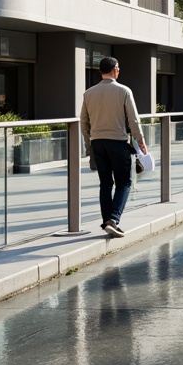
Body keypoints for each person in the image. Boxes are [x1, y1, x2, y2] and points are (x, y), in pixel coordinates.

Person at [79, 56, 148, 238]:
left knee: (105, 184)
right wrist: (141, 141)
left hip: (97, 143)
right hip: (117, 142)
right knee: (124, 182)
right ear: (115, 69)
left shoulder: (88, 93)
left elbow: (83, 123)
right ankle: (113, 220)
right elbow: (133, 120)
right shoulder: (124, 91)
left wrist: (88, 147)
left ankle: (107, 222)